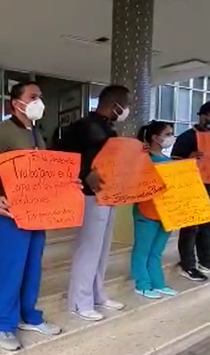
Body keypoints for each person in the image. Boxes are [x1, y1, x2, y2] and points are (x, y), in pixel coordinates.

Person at [0, 81, 63, 352]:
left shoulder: (37, 134)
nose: (39, 101)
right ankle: (4, 325)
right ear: (16, 103)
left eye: (40, 96)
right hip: (9, 214)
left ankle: (29, 316)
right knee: (10, 269)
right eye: (33, 96)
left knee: (32, 267)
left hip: (36, 212)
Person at [53, 84, 130, 322]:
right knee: (88, 248)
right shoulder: (82, 127)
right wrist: (85, 171)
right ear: (114, 104)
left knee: (103, 248)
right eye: (125, 104)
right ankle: (79, 301)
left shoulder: (109, 129)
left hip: (109, 194)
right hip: (89, 195)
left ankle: (97, 293)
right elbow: (61, 156)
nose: (127, 108)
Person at [170, 101, 210, 281]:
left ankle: (207, 261)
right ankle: (188, 264)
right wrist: (189, 158)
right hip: (194, 186)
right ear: (204, 115)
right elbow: (173, 163)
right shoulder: (187, 137)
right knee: (191, 227)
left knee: (209, 226)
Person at [130, 121, 181, 299]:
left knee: (157, 251)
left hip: (166, 212)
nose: (171, 137)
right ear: (155, 137)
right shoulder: (143, 158)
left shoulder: (169, 161)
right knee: (142, 250)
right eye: (168, 134)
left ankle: (158, 283)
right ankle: (142, 284)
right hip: (146, 211)